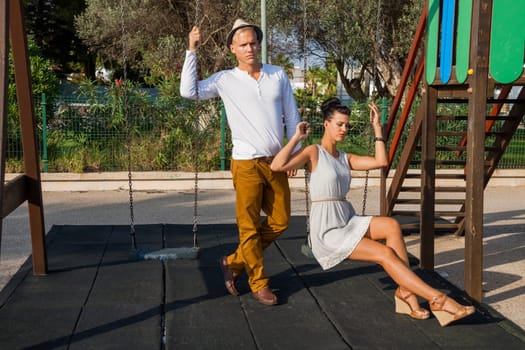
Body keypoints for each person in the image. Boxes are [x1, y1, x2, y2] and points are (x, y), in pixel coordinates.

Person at [270, 97, 476, 326]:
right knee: (385, 254)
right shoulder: (313, 152)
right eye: (339, 124)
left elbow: (381, 160)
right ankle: (439, 300)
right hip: (328, 229)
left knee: (391, 225)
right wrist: (297, 137)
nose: (344, 129)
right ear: (326, 124)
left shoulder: (344, 158)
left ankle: (405, 293)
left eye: (347, 125)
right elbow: (277, 166)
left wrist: (378, 127)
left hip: (346, 217)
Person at [180, 19, 301, 306]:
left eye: (254, 43)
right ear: (233, 48)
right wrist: (191, 51)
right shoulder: (224, 79)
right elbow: (189, 92)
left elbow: (292, 115)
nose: (250, 48)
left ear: (259, 45)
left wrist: (295, 152)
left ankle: (233, 262)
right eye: (243, 44)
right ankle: (259, 282)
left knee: (281, 221)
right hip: (246, 162)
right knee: (248, 227)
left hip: (276, 161)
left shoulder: (277, 75)